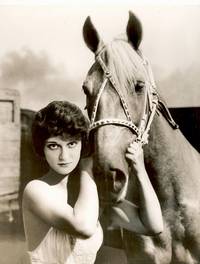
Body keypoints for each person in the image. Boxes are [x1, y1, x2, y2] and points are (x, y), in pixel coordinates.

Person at [22, 101, 103, 264]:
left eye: (71, 144)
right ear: (42, 149)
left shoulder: (86, 193)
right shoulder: (35, 190)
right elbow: (85, 227)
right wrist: (87, 165)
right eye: (53, 146)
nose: (64, 157)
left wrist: (139, 168)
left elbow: (153, 226)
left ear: (83, 144)